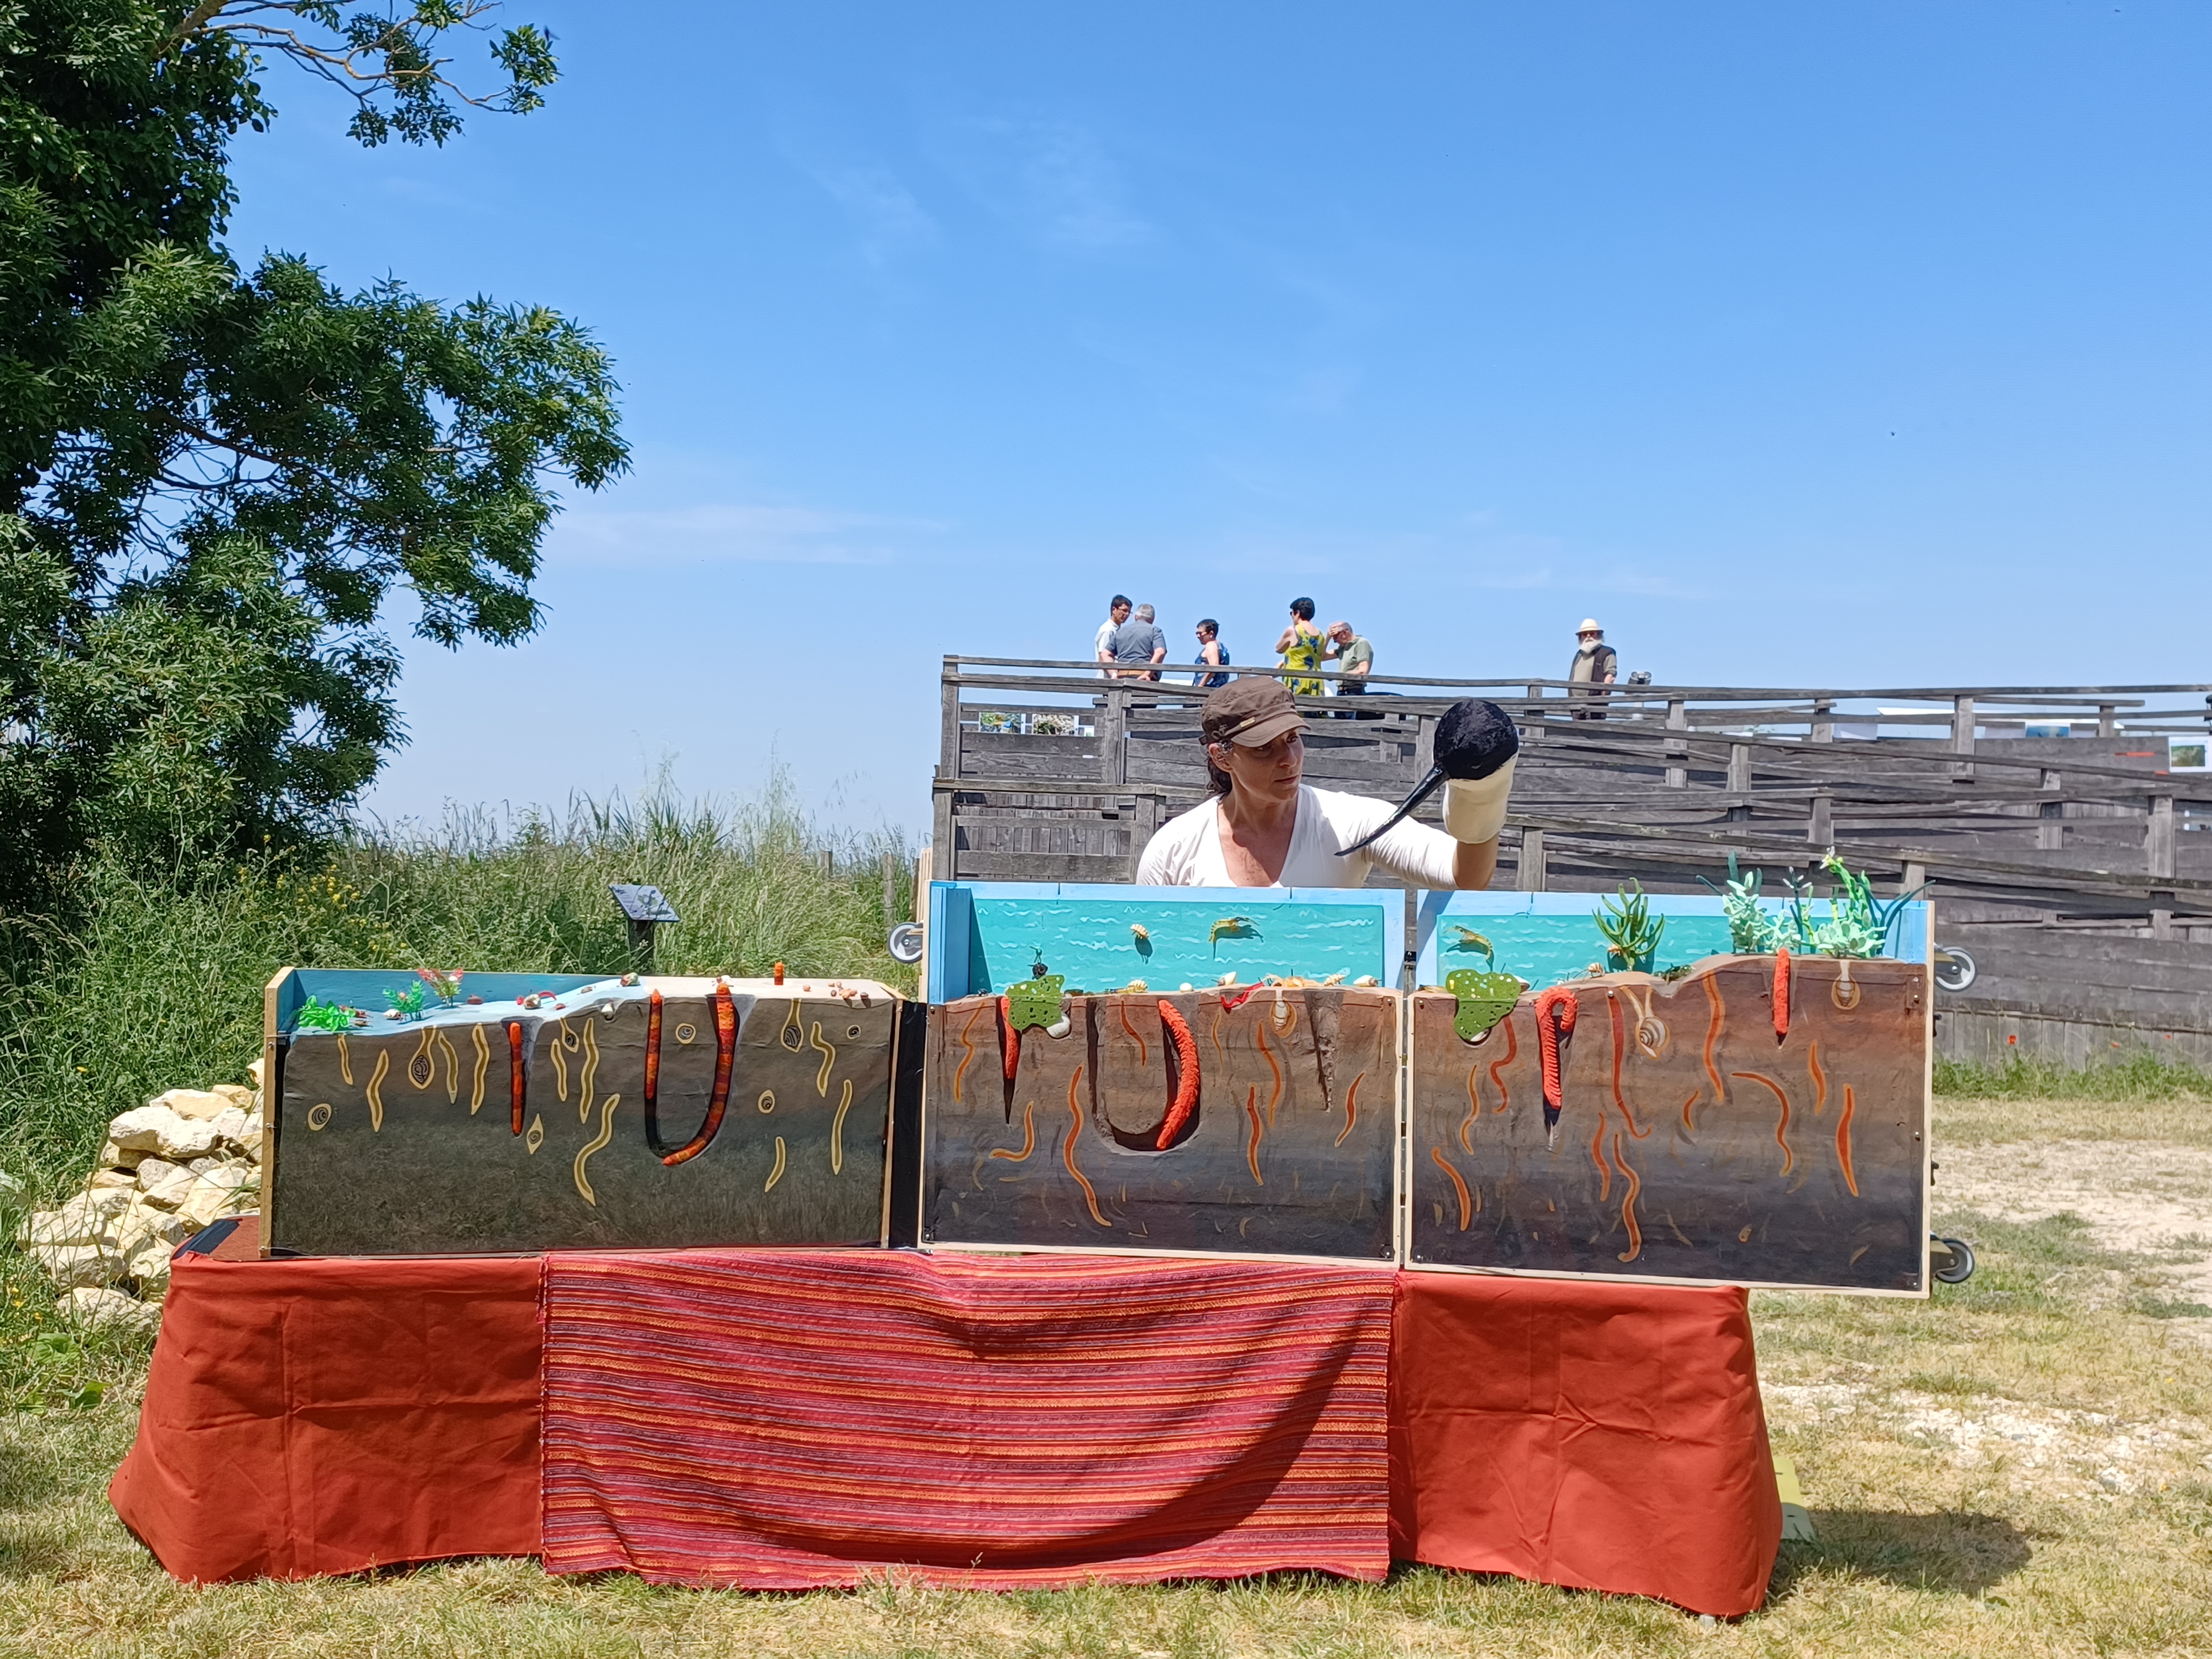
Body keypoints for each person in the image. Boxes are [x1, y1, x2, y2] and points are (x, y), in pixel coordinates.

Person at [1134, 677, 1504, 889]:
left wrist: (1483, 793)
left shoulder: (1353, 822)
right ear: (1222, 756)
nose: (1289, 759)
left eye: (1293, 738)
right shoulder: (1173, 849)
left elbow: (1466, 876)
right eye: (1264, 748)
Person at [1274, 597, 1326, 697]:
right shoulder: (1321, 635)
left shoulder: (1293, 630)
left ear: (1297, 613)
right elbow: (1321, 656)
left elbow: (1278, 649)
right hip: (1315, 681)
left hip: (1296, 679)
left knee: (1295, 711)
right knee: (1313, 711)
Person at [1568, 617, 1616, 719]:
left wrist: (1604, 693)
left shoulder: (1607, 652)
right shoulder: (1579, 655)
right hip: (1576, 705)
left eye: (1592, 633)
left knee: (1594, 733)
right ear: (1580, 637)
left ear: (1599, 635)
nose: (1589, 636)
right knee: (1577, 733)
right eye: (1585, 634)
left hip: (1595, 705)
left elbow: (1610, 674)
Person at [1323, 620, 1374, 713]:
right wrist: (1328, 638)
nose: (1335, 641)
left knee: (1350, 724)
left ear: (1344, 633)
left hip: (1354, 692)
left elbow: (1363, 671)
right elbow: (1322, 657)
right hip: (1342, 692)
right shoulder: (1343, 648)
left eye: (1335, 637)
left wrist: (1337, 676)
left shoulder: (1361, 644)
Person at [1108, 602, 1168, 680]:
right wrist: (1148, 674)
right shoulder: (1155, 631)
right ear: (1153, 619)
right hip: (1144, 680)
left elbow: (1105, 654)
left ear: (1136, 617)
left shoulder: (1121, 631)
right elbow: (1160, 651)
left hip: (1121, 677)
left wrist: (1113, 674)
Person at [1094, 596, 1131, 677]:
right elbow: (1103, 656)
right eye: (1124, 611)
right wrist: (1113, 675)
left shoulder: (1118, 630)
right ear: (1114, 610)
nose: (1127, 614)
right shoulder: (1107, 630)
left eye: (1129, 612)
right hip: (1107, 681)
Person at [1191, 619, 1231, 688]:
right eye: (1197, 634)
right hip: (1220, 688)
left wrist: (1201, 685)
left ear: (1211, 634)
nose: (1198, 636)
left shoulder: (1211, 645)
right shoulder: (1221, 646)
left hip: (1209, 688)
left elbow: (1214, 668)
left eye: (1200, 633)